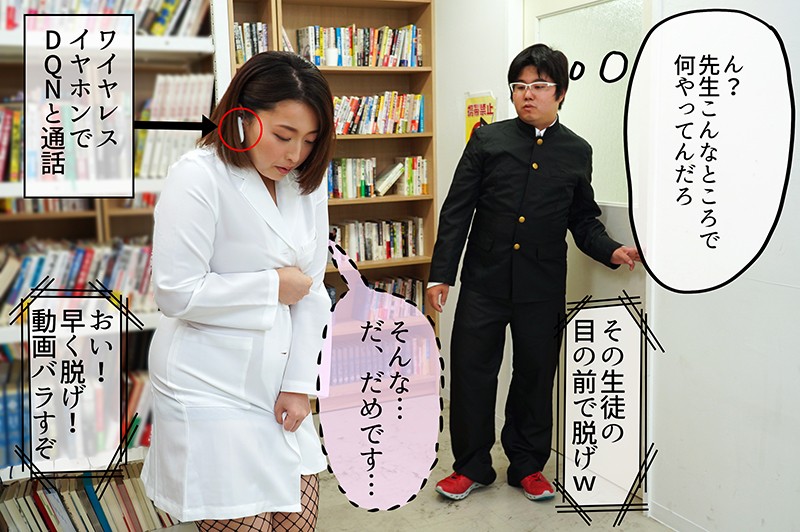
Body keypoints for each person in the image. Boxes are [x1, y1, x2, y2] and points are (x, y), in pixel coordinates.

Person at [427, 43, 640, 502]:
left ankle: (527, 465)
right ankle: (471, 466)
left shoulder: (577, 150)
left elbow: (582, 218)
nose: (527, 94)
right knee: (472, 373)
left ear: (560, 93)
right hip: (483, 281)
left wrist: (612, 250)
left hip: (541, 286)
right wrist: (441, 274)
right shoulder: (488, 140)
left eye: (539, 85)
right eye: (519, 86)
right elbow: (457, 210)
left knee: (535, 376)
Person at [141, 51, 335, 531]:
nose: (295, 154)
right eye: (284, 136)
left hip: (278, 380)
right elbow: (176, 293)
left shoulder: (305, 182)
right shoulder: (198, 174)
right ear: (242, 115)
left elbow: (311, 292)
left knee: (297, 521)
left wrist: (298, 386)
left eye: (310, 140)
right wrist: (272, 286)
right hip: (207, 383)